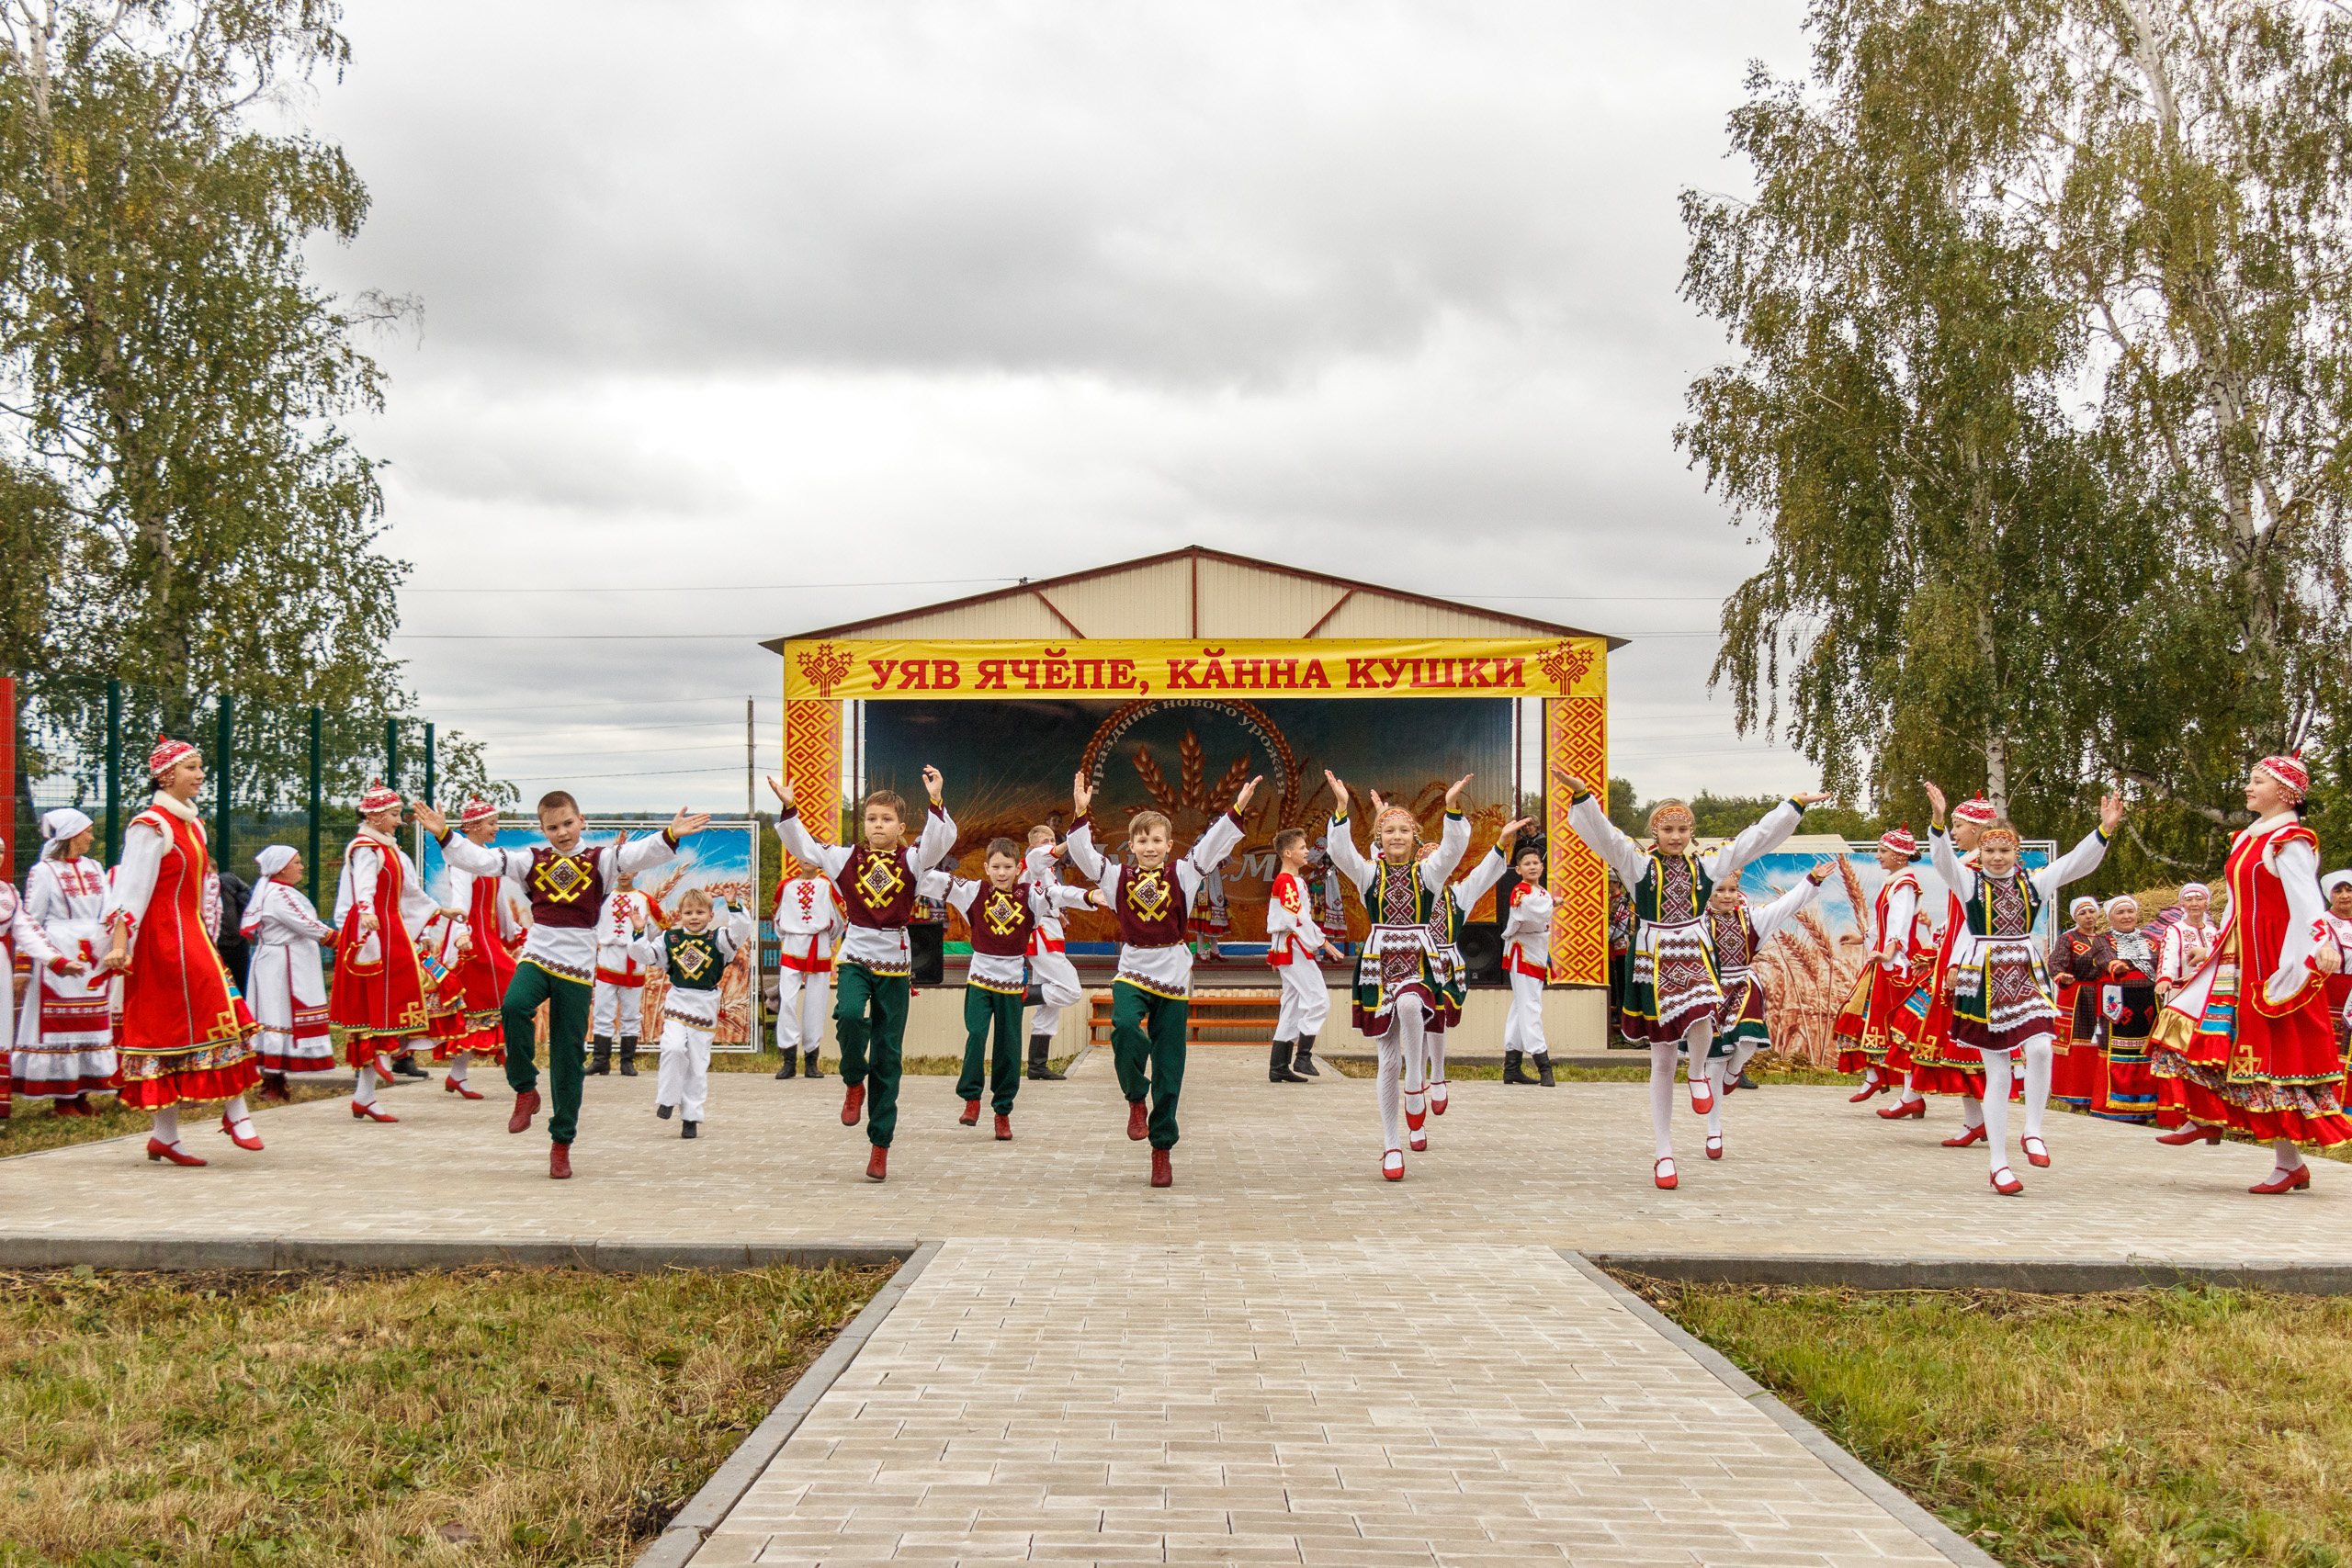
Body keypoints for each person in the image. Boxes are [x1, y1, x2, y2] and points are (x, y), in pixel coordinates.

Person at [1555, 769, 1830, 1190]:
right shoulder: (1638, 864)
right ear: (1654, 830)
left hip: (1695, 950)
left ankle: (1699, 1070)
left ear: (1692, 831)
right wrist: (1582, 796)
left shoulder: (1707, 865)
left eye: (1684, 828)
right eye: (1668, 829)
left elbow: (1752, 839)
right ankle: (1663, 1153)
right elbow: (1607, 836)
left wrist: (1790, 807)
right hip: (1654, 958)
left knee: (1704, 1012)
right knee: (1662, 1059)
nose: (1676, 836)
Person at [418, 790, 705, 1180]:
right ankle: (525, 1089)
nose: (562, 832)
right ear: (542, 829)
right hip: (538, 955)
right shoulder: (529, 861)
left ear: (581, 820)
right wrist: (445, 834)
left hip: (578, 965)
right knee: (514, 1006)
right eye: (553, 827)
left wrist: (671, 834)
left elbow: (641, 854)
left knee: (567, 1058)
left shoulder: (602, 859)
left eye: (568, 823)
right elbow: (481, 860)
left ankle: (561, 1142)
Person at [2151, 751, 2352, 1190]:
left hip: (2271, 953)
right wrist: (2216, 942)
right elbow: (2240, 900)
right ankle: (2204, 1114)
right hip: (2237, 949)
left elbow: (2305, 897)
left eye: (2257, 781)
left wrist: (2322, 942)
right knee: (2188, 1023)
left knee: (2271, 1054)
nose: (2248, 787)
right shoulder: (2249, 839)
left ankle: (2288, 1164)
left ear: (2284, 791)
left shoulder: (2290, 840)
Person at [1063, 768, 1258, 1189]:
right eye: (1141, 840)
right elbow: (1082, 856)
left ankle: (1161, 1149)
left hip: (1172, 971)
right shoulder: (1116, 876)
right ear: (1130, 846)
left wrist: (1237, 808)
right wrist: (1081, 813)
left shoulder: (1185, 873)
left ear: (1169, 845)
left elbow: (1213, 845)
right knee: (1125, 1029)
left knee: (1170, 1068)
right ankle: (1136, 1098)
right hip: (1133, 968)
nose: (1149, 847)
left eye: (1157, 840)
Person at [1925, 780, 2121, 1194]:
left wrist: (2103, 830)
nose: (1997, 858)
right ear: (1981, 851)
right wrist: (1939, 823)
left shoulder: (2035, 883)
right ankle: (1998, 1164)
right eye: (1990, 851)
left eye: (2005, 850)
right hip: (1983, 975)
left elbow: (2074, 863)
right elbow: (1943, 861)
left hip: (2025, 972)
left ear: (2018, 851)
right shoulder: (1969, 884)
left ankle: (2033, 1129)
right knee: (1997, 1073)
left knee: (2040, 1047)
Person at [768, 768, 956, 1183]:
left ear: (901, 826)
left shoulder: (913, 860)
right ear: (864, 824)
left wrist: (936, 799)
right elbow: (804, 846)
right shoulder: (844, 857)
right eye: (872, 818)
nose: (878, 825)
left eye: (887, 819)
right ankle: (854, 1080)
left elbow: (941, 839)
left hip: (895, 959)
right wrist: (788, 806)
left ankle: (880, 1145)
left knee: (888, 1057)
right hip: (855, 953)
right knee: (850, 1016)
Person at [96, 736, 264, 1164]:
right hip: (158, 940)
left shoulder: (192, 824)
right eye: (191, 768)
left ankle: (168, 1135)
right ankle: (231, 1114)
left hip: (191, 935)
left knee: (213, 1017)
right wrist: (119, 946)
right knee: (182, 1026)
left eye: (200, 767)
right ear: (166, 775)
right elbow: (128, 890)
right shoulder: (149, 826)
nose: (200, 775)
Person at [1319, 771, 1475, 1181]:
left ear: (1415, 837)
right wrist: (1340, 809)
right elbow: (1341, 853)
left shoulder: (1430, 875)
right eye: (1389, 830)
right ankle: (1391, 1144)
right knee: (1386, 1060)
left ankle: (1417, 1082)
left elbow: (1454, 848)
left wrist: (1453, 807)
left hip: (1420, 958)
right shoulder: (1370, 874)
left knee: (1410, 1001)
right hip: (1379, 960)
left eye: (1405, 830)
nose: (1397, 836)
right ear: (1380, 839)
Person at [923, 839, 1090, 1139]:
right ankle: (972, 1099)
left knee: (1008, 1046)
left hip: (1012, 986)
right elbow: (934, 881)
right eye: (996, 867)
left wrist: (1091, 896)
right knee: (976, 1034)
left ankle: (1002, 1111)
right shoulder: (973, 891)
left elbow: (1060, 893)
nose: (1002, 873)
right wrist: (906, 872)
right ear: (987, 868)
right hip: (979, 981)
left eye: (1008, 867)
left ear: (1018, 869)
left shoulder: (1030, 896)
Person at [1700, 861, 1834, 1157]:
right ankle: (1713, 1130)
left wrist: (1812, 880)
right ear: (1707, 894)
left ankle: (1736, 1070)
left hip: (1743, 985)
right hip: (1711, 990)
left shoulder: (1752, 919)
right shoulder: (1697, 922)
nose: (1727, 895)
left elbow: (1786, 905)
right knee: (1714, 1062)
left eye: (1732, 889)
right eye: (1719, 890)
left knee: (1747, 1041)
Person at [1883, 795, 2000, 1122]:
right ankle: (1970, 1120)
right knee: (1944, 1037)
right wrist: (1937, 951)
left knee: (1966, 1042)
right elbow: (1959, 918)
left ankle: (1981, 1121)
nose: (1955, 832)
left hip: (1970, 960)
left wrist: (1955, 962)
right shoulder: (1969, 864)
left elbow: (1977, 924)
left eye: (1959, 826)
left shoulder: (1980, 866)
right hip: (1953, 957)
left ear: (1977, 829)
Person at [330, 781, 441, 1124]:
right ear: (375, 817)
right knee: (373, 1008)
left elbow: (408, 892)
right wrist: (366, 910)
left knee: (394, 1002)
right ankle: (372, 1078)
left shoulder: (389, 849)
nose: (399, 820)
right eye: (394, 814)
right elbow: (362, 883)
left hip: (390, 930)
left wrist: (438, 911)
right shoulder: (366, 847)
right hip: (371, 931)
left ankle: (367, 1092)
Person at [1416, 822, 1531, 1128]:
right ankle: (1418, 1077)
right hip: (1417, 963)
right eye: (1425, 861)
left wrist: (1502, 840)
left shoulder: (1458, 895)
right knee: (1416, 1019)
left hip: (1448, 965)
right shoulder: (1411, 894)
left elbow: (1482, 874)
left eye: (1437, 860)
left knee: (1437, 1018)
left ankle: (1436, 1074)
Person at [12, 809, 114, 1117]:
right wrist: (24, 966)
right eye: (88, 831)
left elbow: (109, 910)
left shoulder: (95, 867)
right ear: (71, 834)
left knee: (91, 1022)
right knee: (60, 1024)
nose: (92, 837)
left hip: (93, 954)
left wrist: (111, 945)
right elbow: (29, 920)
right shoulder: (43, 871)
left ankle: (83, 1092)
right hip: (59, 953)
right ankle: (63, 1097)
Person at [631, 887, 752, 1139]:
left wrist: (733, 905)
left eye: (700, 912)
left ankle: (690, 1117)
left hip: (706, 1004)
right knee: (673, 1047)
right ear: (680, 915)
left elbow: (740, 932)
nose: (694, 917)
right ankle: (667, 1099)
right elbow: (643, 955)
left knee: (697, 1063)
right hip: (678, 1001)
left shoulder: (718, 939)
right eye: (688, 912)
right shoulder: (669, 939)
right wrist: (638, 931)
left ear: (710, 915)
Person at [434, 797, 523, 1100]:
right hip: (470, 942)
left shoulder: (489, 857)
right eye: (492, 823)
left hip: (488, 938)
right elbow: (461, 898)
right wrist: (461, 933)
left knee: (486, 1005)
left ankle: (459, 1074)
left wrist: (512, 930)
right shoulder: (461, 859)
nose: (496, 828)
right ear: (473, 827)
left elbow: (499, 900)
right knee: (501, 994)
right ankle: (511, 1057)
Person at [1832, 828, 1927, 1103]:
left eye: (1883, 851)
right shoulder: (1893, 883)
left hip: (1899, 963)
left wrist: (1888, 953)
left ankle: (1911, 1096)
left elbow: (1899, 922)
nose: (1877, 856)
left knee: (1899, 1027)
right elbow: (1883, 922)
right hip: (1882, 959)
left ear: (1899, 855)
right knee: (1861, 1017)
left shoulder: (1905, 884)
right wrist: (1863, 938)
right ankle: (1874, 1077)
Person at [240, 846, 336, 1100]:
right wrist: (337, 938)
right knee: (277, 1014)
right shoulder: (278, 894)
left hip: (284, 960)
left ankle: (275, 1078)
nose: (302, 867)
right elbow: (304, 923)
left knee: (278, 1014)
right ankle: (271, 1080)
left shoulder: (276, 891)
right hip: (282, 964)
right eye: (297, 862)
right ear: (282, 867)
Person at [1265, 827, 1342, 1082]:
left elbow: (1297, 917)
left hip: (1293, 945)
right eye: (1302, 847)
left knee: (1293, 1005)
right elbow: (1296, 918)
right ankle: (1303, 1056)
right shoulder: (1286, 881)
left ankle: (1278, 1067)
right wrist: (1323, 942)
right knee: (1318, 999)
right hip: (1294, 946)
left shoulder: (1292, 880)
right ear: (1288, 853)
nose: (1307, 851)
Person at [1021, 824, 1085, 1081]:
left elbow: (1045, 896)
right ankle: (1018, 995)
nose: (1050, 844)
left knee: (1049, 1006)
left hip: (1051, 931)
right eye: (1045, 840)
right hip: (1042, 936)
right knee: (1070, 990)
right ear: (1035, 844)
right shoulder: (1034, 858)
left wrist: (1059, 914)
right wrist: (1072, 838)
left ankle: (1037, 1067)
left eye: (1052, 840)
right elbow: (1051, 853)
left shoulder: (1045, 871)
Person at [769, 866, 841, 1079]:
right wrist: (794, 933)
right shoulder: (786, 886)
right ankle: (788, 1059)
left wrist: (825, 938)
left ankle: (811, 1059)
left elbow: (838, 919)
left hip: (819, 944)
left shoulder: (828, 885)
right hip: (792, 944)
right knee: (788, 1000)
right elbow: (778, 919)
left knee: (816, 1001)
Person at [590, 858, 654, 1079]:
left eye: (628, 870)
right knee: (602, 1011)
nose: (623, 874)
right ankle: (601, 1060)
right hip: (607, 958)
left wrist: (645, 949)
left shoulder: (644, 900)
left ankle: (627, 1061)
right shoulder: (602, 898)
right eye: (619, 870)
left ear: (636, 871)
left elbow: (657, 929)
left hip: (633, 961)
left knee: (630, 1013)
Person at [2046, 897, 2108, 1116]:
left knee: (2100, 1044)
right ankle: (2074, 1096)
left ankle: (2096, 1096)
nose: (2088, 916)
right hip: (2077, 994)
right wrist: (2062, 977)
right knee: (2078, 1047)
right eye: (2083, 913)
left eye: (2091, 911)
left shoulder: (2105, 939)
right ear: (2075, 917)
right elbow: (2056, 964)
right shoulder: (2068, 939)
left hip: (2101, 995)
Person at [1501, 842, 1555, 1087]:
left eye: (1535, 863)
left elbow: (1542, 908)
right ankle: (1543, 1062)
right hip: (1522, 952)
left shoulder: (1540, 891)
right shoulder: (1520, 891)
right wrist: (1554, 902)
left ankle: (1511, 1067)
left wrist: (1551, 901)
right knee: (1530, 1006)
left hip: (1535, 951)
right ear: (1518, 869)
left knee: (1521, 1007)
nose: (1532, 867)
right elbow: (1532, 911)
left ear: (1542, 867)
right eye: (1527, 864)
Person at [2322, 871, 2352, 1056]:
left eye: (2349, 890)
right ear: (2328, 894)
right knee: (2334, 1050)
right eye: (2338, 890)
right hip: (2332, 996)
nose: (2345, 895)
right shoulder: (2321, 922)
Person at [1189, 852, 1231, 962]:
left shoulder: (1219, 842)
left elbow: (1229, 858)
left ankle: (1214, 949)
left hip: (1215, 883)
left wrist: (1218, 863)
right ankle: (1200, 950)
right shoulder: (1198, 844)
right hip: (1202, 884)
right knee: (1203, 918)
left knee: (1214, 918)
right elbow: (1188, 860)